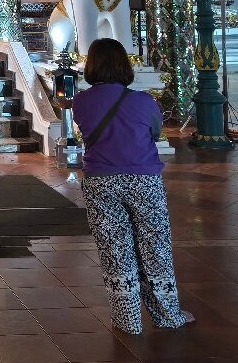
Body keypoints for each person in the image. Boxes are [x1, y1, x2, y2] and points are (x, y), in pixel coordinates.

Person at [72, 38, 194, 334]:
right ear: (125, 66)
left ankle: (128, 319)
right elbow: (155, 132)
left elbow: (85, 132)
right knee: (155, 248)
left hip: (100, 180)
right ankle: (167, 314)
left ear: (91, 66)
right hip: (143, 179)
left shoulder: (81, 102)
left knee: (114, 248)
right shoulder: (144, 101)